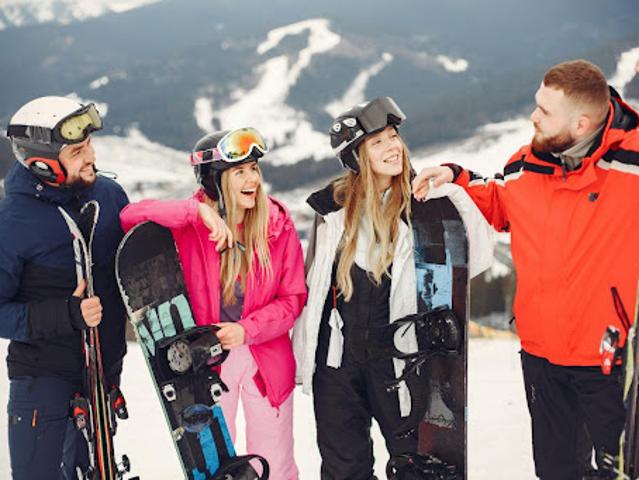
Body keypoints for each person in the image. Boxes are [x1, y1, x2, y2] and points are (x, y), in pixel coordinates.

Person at [413, 59, 639, 479]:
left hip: (612, 361)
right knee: (555, 470)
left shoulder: (632, 165)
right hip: (541, 356)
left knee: (622, 471)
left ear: (581, 124)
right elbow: (502, 201)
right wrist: (456, 176)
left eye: (545, 111)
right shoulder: (526, 165)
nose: (533, 116)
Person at [292, 96, 494, 479]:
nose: (392, 147)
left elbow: (477, 257)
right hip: (338, 361)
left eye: (393, 136)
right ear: (356, 157)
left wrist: (454, 193)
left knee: (411, 464)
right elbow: (313, 287)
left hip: (398, 359)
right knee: (343, 469)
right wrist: (304, 358)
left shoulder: (425, 205)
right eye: (377, 141)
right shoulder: (332, 210)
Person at [119, 127, 307, 479]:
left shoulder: (277, 223)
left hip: (265, 358)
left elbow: (292, 299)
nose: (252, 179)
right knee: (215, 464)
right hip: (208, 362)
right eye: (240, 172)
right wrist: (196, 212)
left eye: (254, 169)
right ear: (213, 180)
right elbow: (129, 216)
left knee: (276, 463)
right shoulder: (189, 225)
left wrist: (246, 330)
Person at [0, 96, 129, 479]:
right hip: (43, 381)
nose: (91, 156)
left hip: (102, 376)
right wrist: (68, 313)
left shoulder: (109, 195)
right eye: (77, 151)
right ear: (43, 163)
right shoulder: (12, 222)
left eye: (89, 144)